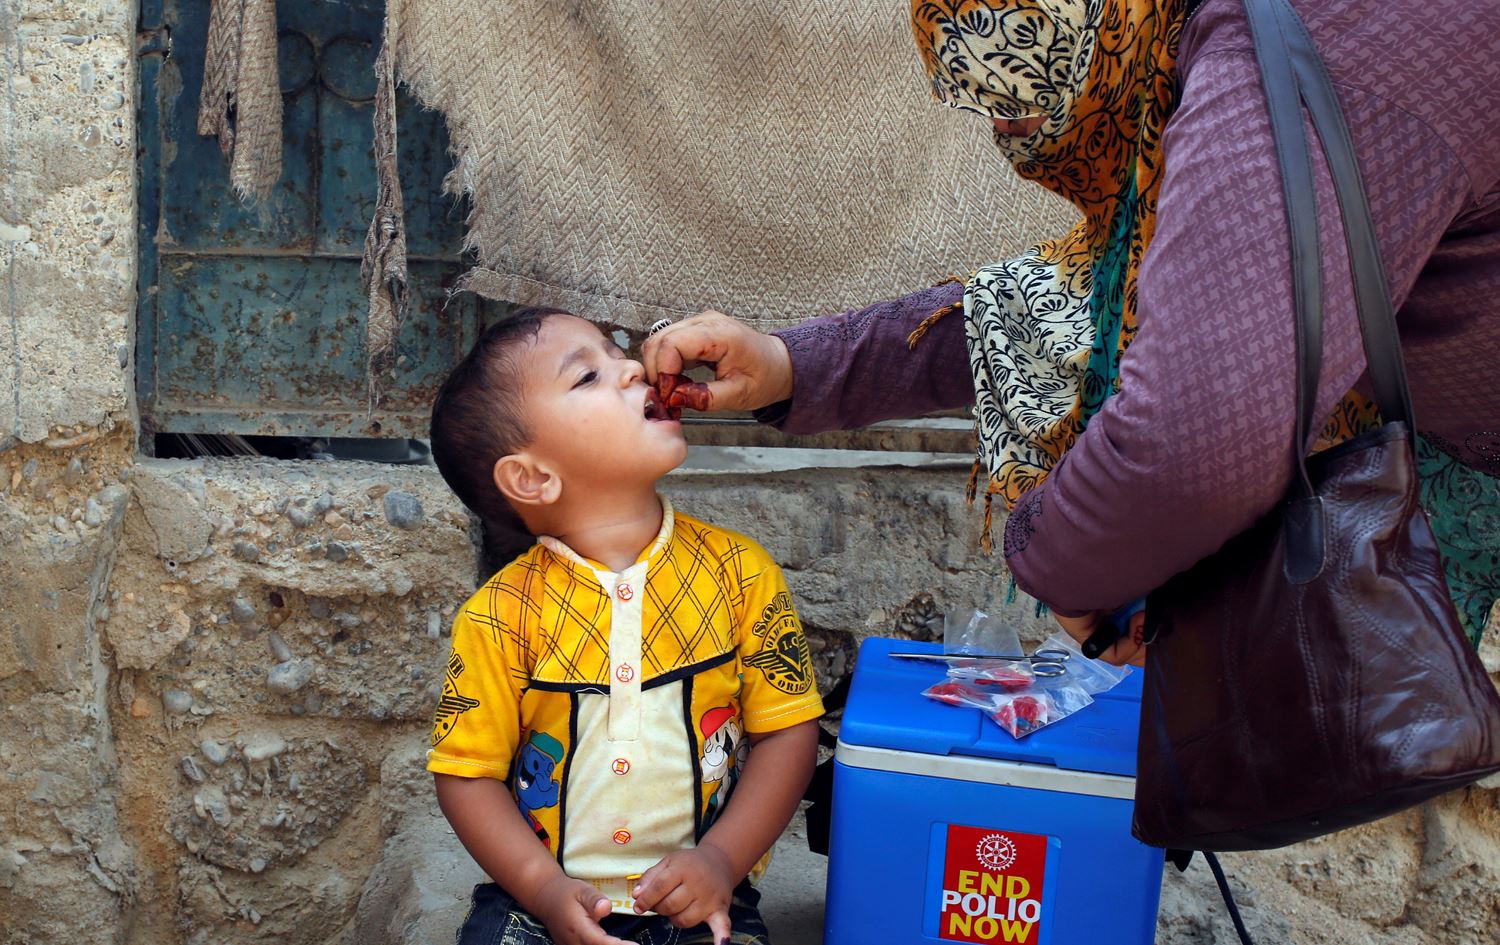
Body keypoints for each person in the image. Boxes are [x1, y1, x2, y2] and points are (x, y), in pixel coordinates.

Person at [642, 0, 1500, 662]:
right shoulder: (1206, 52)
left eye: (1028, 113)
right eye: (988, 113)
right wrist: (792, 366)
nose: (1022, 152)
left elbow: (1193, 440)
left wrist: (1060, 559)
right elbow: (1065, 303)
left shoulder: (1296, 58)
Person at [426, 307, 824, 945]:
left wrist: (721, 861)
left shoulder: (740, 574)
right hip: (539, 909)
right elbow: (465, 774)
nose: (634, 367)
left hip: (701, 904)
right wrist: (544, 889)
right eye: (587, 376)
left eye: (618, 353)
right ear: (531, 477)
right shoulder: (499, 615)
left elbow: (789, 733)